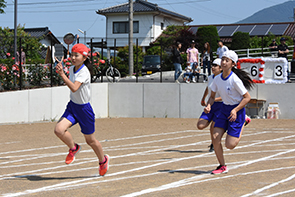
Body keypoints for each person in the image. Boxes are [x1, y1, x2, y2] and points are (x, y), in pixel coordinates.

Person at [54, 43, 109, 176]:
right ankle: (74, 148)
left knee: (90, 141)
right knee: (59, 130)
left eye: (76, 55)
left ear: (84, 58)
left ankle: (103, 161)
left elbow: (74, 88)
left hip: (84, 110)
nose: (73, 57)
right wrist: (63, 72)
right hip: (73, 106)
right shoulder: (72, 69)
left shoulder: (84, 71)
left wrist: (62, 74)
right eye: (72, 55)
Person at [204, 50, 254, 174]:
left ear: (233, 64)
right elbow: (212, 96)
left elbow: (247, 97)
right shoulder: (216, 79)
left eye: (227, 60)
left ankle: (243, 122)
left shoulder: (235, 80)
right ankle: (222, 166)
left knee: (230, 145)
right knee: (215, 137)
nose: (224, 62)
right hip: (224, 109)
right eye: (223, 59)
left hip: (236, 111)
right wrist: (209, 105)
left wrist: (236, 110)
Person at [197, 58, 222, 152]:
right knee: (200, 125)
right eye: (213, 65)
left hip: (221, 105)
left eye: (215, 66)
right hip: (210, 105)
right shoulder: (210, 77)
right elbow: (208, 88)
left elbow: (225, 96)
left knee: (213, 128)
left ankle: (213, 144)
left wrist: (213, 99)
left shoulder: (223, 79)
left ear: (221, 68)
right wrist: (203, 98)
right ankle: (215, 122)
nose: (213, 67)